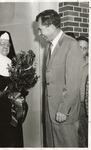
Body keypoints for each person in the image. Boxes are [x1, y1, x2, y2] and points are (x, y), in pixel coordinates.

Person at [35, 9, 83, 147]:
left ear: (50, 28)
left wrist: (63, 109)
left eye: (40, 29)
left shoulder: (71, 44)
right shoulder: (50, 47)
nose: (39, 33)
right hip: (51, 112)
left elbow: (73, 83)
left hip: (63, 113)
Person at [77, 36, 89, 147]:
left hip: (86, 104)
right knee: (78, 136)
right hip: (74, 103)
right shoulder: (70, 62)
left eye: (85, 48)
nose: (82, 51)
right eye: (79, 47)